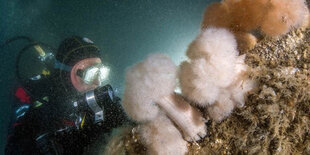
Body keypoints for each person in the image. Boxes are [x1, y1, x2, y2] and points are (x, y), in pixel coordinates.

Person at [5, 36, 128, 154]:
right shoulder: (32, 93)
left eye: (101, 73)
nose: (97, 82)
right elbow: (13, 148)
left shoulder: (102, 100)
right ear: (66, 74)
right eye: (90, 74)